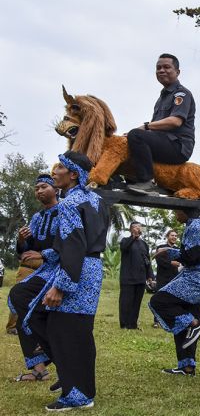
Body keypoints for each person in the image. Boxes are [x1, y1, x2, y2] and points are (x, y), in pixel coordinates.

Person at [25, 151, 110, 410]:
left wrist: (61, 285)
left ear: (73, 175)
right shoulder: (96, 200)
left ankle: (78, 395)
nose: (55, 171)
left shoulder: (69, 203)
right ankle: (80, 388)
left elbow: (74, 244)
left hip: (77, 270)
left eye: (60, 167)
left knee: (67, 332)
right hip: (92, 267)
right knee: (76, 332)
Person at [148, 210, 200, 376]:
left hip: (196, 277)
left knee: (158, 301)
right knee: (182, 321)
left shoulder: (194, 225)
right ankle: (187, 366)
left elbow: (191, 256)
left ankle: (195, 324)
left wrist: (169, 251)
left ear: (185, 209)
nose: (174, 214)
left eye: (176, 210)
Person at [7, 174, 58, 381]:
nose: (39, 191)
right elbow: (26, 251)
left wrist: (44, 254)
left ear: (56, 189)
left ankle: (47, 345)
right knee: (19, 301)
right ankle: (39, 369)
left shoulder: (65, 212)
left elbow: (73, 245)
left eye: (43, 186)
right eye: (36, 188)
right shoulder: (37, 218)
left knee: (20, 295)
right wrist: (22, 239)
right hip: (45, 270)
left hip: (63, 268)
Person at [126, 53, 196, 195]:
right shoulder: (162, 98)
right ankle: (130, 178)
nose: (161, 70)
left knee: (136, 135)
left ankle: (146, 182)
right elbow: (154, 132)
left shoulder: (181, 94)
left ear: (177, 72)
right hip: (163, 143)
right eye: (158, 68)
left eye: (166, 67)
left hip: (178, 147)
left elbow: (175, 121)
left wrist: (144, 127)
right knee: (127, 139)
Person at [119, 221, 153, 329]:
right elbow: (124, 248)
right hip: (127, 278)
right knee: (126, 302)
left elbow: (147, 260)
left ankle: (133, 324)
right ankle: (124, 323)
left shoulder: (144, 244)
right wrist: (133, 237)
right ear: (131, 229)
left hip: (140, 279)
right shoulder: (125, 241)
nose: (138, 229)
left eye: (139, 227)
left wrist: (150, 275)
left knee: (136, 303)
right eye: (135, 227)